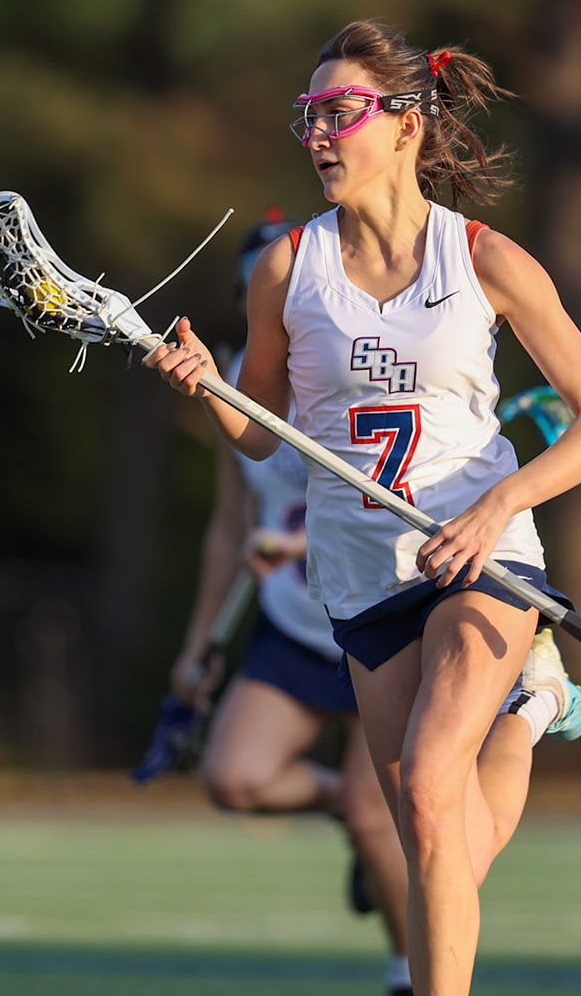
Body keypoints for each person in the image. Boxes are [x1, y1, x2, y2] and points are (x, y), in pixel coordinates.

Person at [146, 21, 581, 996]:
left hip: (481, 555)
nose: (318, 133)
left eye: (340, 112)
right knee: (429, 827)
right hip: (361, 570)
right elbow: (263, 434)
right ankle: (535, 710)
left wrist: (500, 505)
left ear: (406, 125)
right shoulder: (289, 271)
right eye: (309, 116)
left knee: (420, 783)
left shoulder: (487, 261)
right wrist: (205, 387)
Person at [167, 210, 412, 996]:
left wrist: (298, 547)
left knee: (386, 826)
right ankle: (352, 808)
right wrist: (198, 641)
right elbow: (231, 522)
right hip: (296, 622)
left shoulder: (354, 358)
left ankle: (411, 970)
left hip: (378, 612)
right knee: (233, 778)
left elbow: (384, 498)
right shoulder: (239, 372)